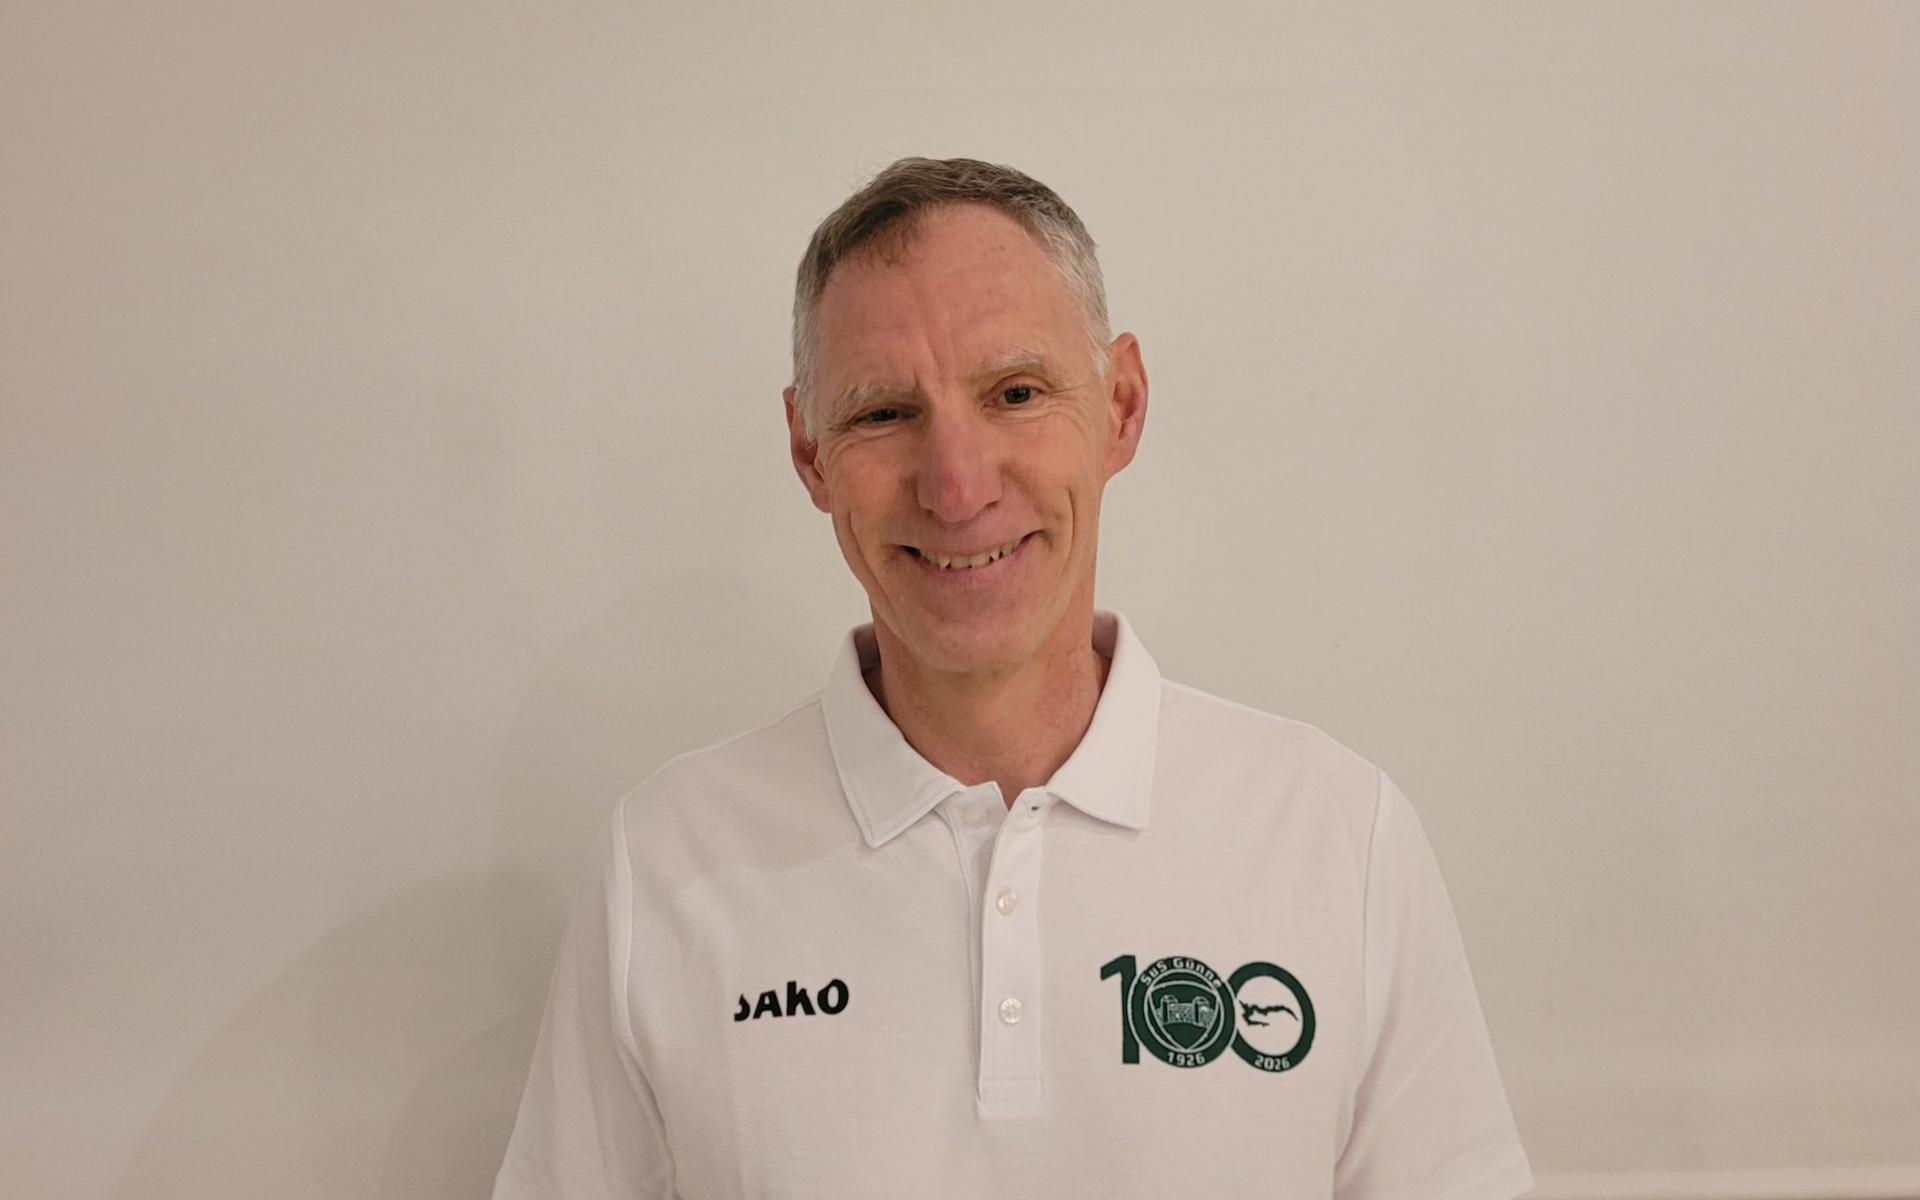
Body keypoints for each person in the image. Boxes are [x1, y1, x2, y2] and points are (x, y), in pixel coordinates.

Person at [492, 156, 1534, 1200]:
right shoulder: (663, 864)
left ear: (1121, 405)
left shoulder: (1339, 840)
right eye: (883, 413)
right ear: (809, 453)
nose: (956, 486)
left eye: (1017, 393)